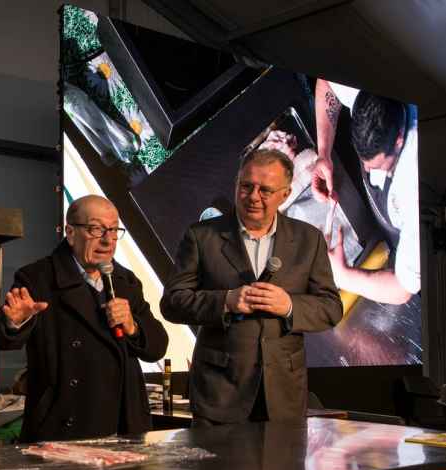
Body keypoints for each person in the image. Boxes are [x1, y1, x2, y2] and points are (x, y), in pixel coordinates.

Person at [160, 149, 342, 426]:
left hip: (283, 397)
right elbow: (173, 302)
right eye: (246, 186)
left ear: (285, 194)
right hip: (219, 395)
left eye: (265, 190)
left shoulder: (309, 239)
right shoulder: (202, 236)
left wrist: (289, 306)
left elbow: (331, 308)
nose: (253, 197)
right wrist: (226, 301)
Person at [0, 195, 168, 442]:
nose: (107, 240)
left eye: (114, 230)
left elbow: (157, 347)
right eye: (96, 229)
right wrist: (14, 321)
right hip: (64, 426)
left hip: (122, 424)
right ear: (70, 233)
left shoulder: (125, 281)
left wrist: (132, 326)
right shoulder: (38, 278)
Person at [311, 78, 419, 305]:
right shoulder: (368, 83)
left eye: (378, 165)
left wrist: (342, 276)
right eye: (364, 162)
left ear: (399, 140)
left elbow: (402, 289)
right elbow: (326, 83)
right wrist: (324, 153)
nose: (368, 170)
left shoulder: (416, 189)